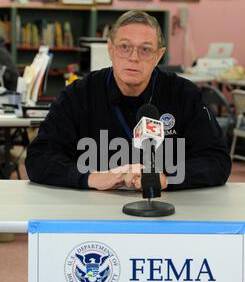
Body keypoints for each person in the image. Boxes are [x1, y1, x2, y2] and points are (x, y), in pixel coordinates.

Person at [25, 10, 231, 191]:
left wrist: (167, 179)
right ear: (110, 49)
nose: (134, 57)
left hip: (168, 212)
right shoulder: (78, 95)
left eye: (145, 49)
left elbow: (217, 161)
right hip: (94, 210)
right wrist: (90, 178)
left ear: (159, 55)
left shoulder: (186, 95)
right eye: (125, 46)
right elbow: (39, 158)